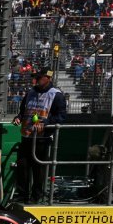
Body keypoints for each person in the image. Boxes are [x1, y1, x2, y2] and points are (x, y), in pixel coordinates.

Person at [11, 68, 67, 204]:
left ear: (48, 78)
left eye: (39, 77)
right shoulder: (30, 92)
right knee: (22, 166)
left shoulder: (56, 95)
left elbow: (61, 117)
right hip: (27, 136)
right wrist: (18, 117)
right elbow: (23, 111)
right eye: (35, 77)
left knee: (38, 169)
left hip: (42, 138)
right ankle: (23, 194)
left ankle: (36, 196)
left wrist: (46, 122)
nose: (35, 79)